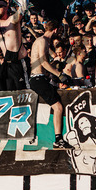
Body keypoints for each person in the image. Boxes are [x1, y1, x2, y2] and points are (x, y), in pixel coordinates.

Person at [28, 20, 71, 149]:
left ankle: (58, 138)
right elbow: (43, 63)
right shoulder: (42, 41)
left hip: (40, 78)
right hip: (38, 79)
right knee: (58, 107)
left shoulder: (43, 41)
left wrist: (55, 64)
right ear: (56, 30)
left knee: (56, 104)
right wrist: (59, 74)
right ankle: (58, 139)